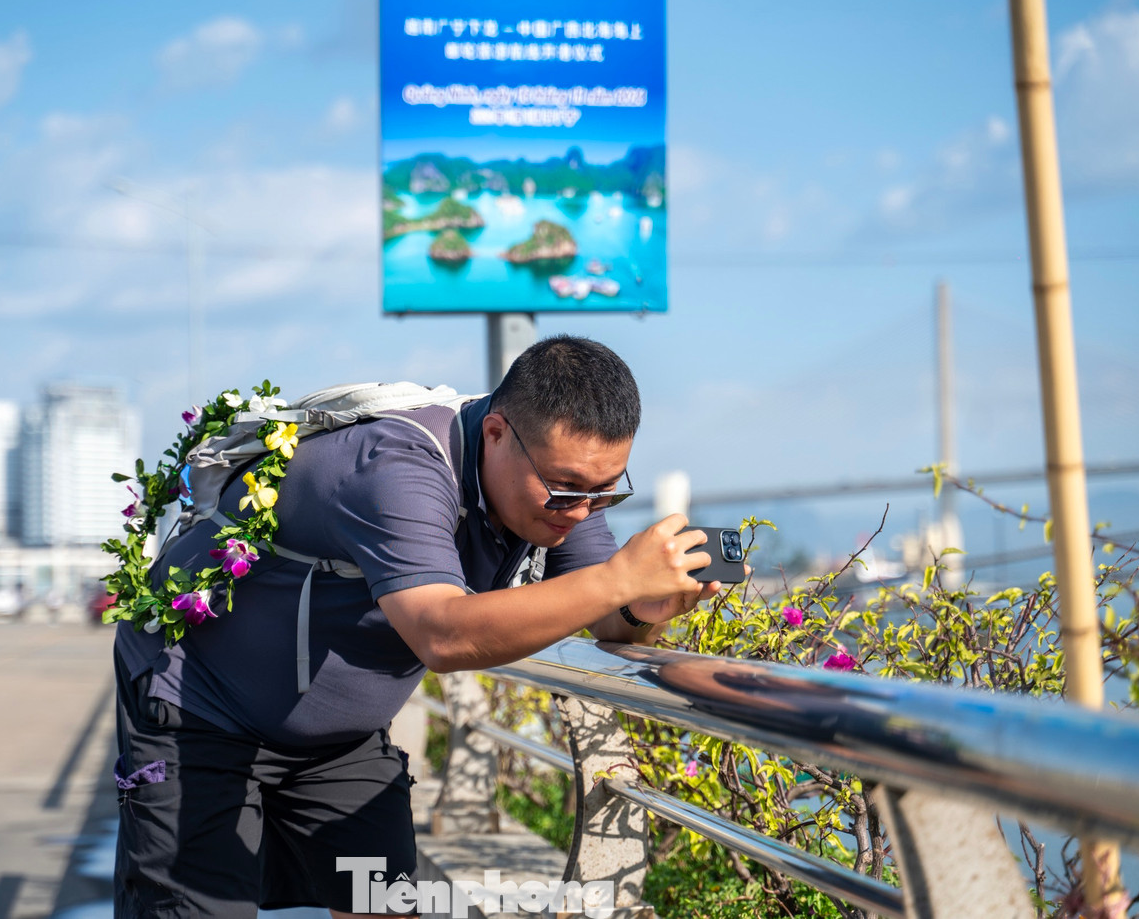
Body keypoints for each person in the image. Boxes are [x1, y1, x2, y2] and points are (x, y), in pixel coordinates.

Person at [112, 335, 721, 918]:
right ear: (496, 433)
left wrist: (644, 610)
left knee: (385, 906)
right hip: (201, 708)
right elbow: (443, 635)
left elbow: (604, 616)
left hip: (334, 737)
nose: (582, 511)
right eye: (565, 491)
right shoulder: (396, 466)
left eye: (605, 492)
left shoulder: (565, 490)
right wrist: (620, 580)